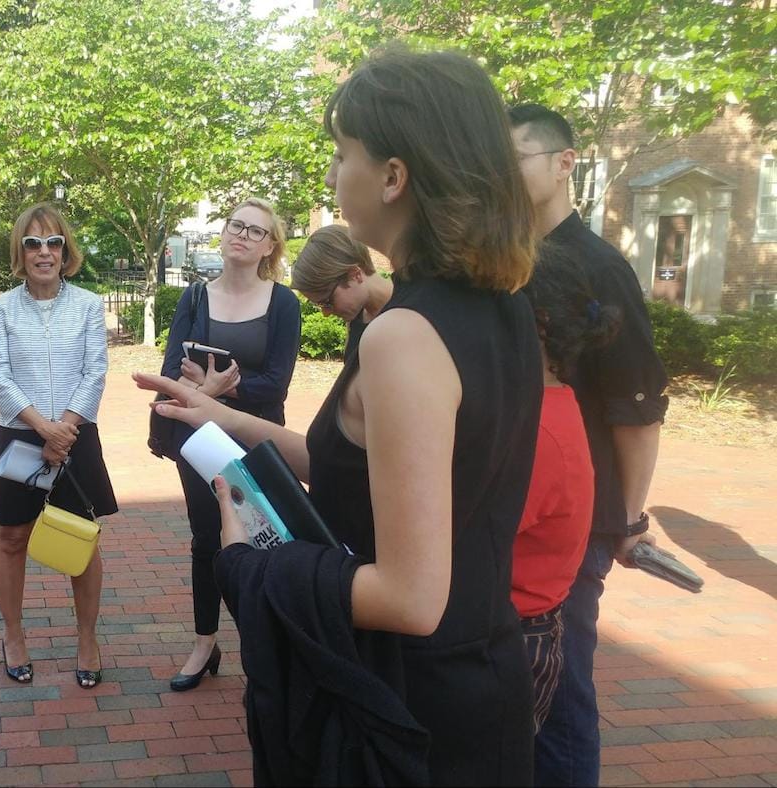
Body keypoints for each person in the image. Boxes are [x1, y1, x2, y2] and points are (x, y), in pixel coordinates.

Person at [138, 49, 542, 784]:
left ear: (393, 177)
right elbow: (363, 472)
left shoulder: (402, 336)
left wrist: (252, 562)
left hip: (402, 711)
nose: (330, 176)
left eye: (340, 153)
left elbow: (411, 598)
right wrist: (215, 416)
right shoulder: (505, 309)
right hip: (481, 679)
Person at [510, 103, 669, 787]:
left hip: (576, 523)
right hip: (519, 510)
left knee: (565, 701)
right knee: (526, 697)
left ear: (563, 162)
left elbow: (638, 408)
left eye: (512, 157)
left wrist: (628, 521)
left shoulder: (598, 266)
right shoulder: (510, 259)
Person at [160, 197, 301, 692]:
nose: (242, 235)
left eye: (255, 231)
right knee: (207, 540)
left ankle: (261, 645)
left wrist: (220, 389)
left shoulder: (282, 303)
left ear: (269, 247)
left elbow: (277, 384)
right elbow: (170, 370)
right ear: (222, 235)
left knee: (262, 538)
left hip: (257, 438)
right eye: (235, 225)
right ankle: (204, 642)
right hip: (197, 439)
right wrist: (212, 390)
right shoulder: (194, 297)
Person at [0, 202, 118, 689]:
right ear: (21, 252)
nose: (44, 252)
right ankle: (14, 635)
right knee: (12, 537)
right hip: (21, 435)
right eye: (33, 243)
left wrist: (64, 429)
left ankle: (87, 638)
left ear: (66, 251)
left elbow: (95, 371)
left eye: (53, 242)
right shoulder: (0, 308)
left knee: (82, 537)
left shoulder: (86, 305)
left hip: (76, 434)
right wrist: (44, 428)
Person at [513, 243, 619, 736]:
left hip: (515, 636)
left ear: (537, 323)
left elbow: (465, 535)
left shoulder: (537, 431)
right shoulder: (548, 404)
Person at [291, 224, 393, 359]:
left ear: (355, 274)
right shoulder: (357, 318)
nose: (326, 313)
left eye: (327, 302)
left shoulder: (414, 312)